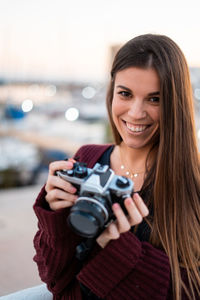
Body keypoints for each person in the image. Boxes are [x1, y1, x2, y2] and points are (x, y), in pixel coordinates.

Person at [33, 34, 200, 300]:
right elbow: (54, 280)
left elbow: (190, 292)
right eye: (125, 94)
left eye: (155, 99)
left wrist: (119, 249)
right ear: (112, 93)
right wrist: (55, 218)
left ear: (175, 104)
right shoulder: (86, 159)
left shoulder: (193, 183)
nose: (135, 112)